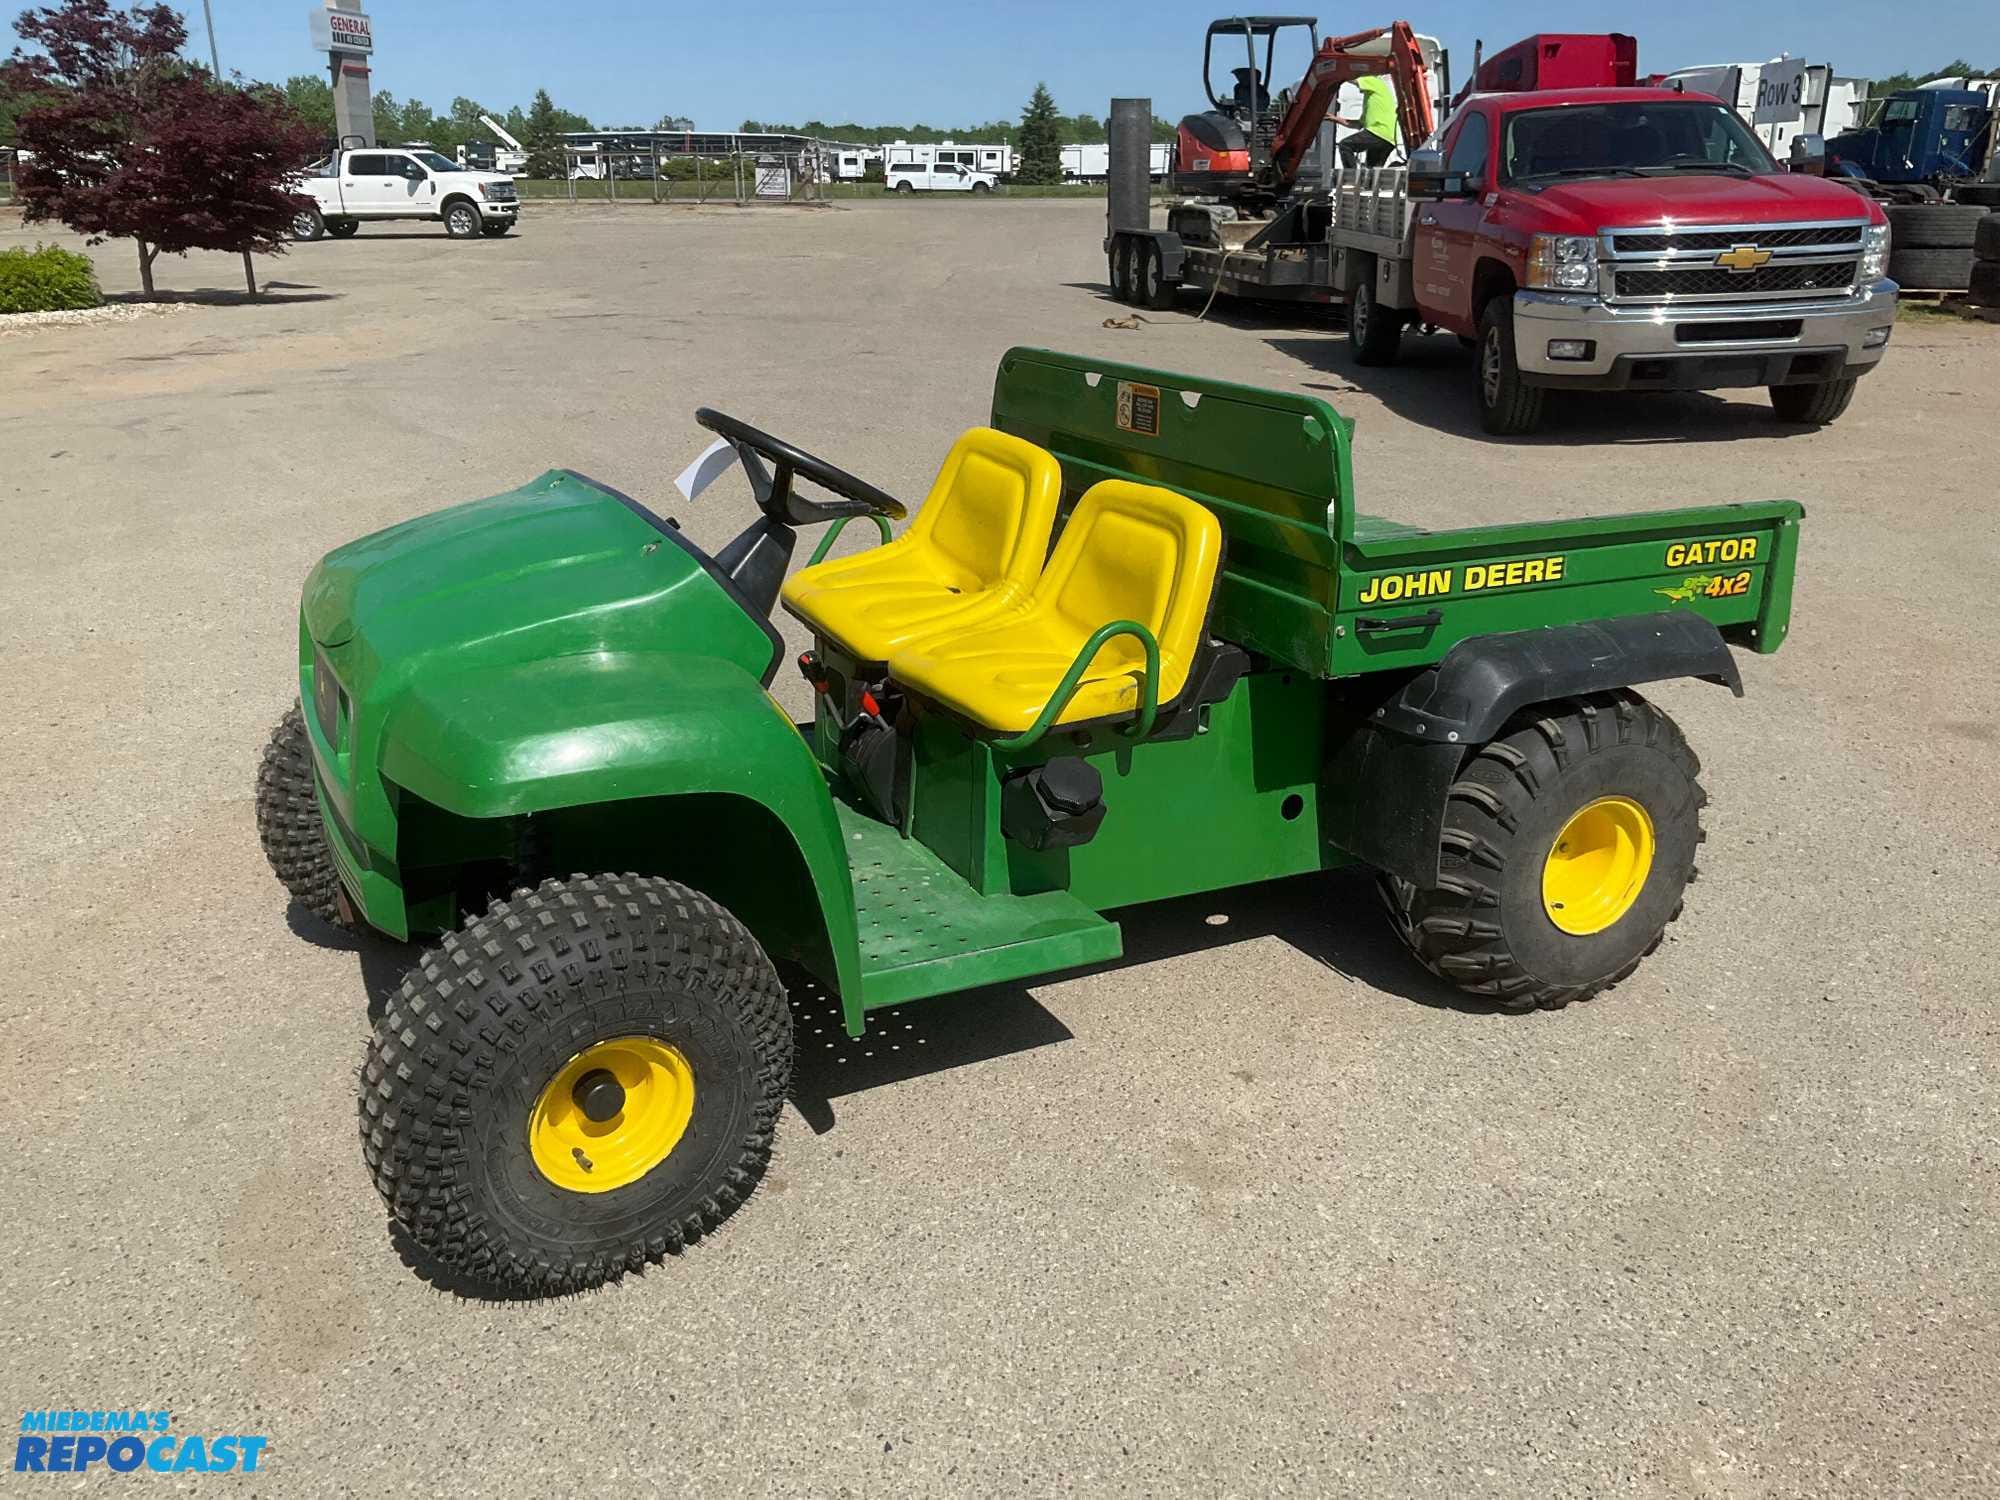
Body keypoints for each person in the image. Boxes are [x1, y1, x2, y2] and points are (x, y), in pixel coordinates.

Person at [1336, 73, 1397, 168]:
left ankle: (1352, 177)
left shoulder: (1375, 82)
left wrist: (1339, 73)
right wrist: (1335, 119)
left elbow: (1354, 79)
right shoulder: (1371, 101)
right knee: (1372, 171)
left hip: (1378, 132)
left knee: (1345, 145)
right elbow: (1358, 124)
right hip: (1388, 140)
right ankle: (1367, 182)